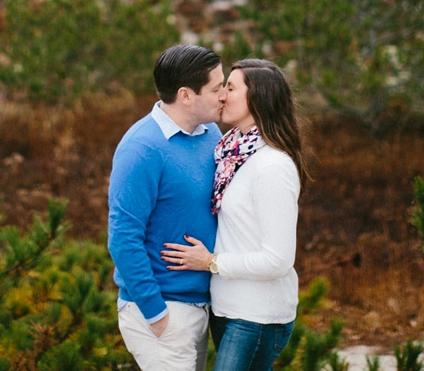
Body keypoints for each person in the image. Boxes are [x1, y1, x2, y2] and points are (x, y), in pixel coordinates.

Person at [161, 59, 309, 371]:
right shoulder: (230, 152)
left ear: (258, 99)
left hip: (257, 315)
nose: (222, 96)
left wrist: (211, 262)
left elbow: (279, 259)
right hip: (226, 306)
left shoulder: (272, 166)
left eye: (231, 88)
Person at [108, 44, 226, 371]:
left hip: (201, 304)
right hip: (164, 311)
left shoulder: (210, 132)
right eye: (216, 88)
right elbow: (123, 238)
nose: (223, 96)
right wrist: (158, 316)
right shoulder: (141, 148)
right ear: (186, 96)